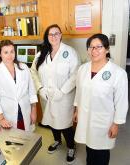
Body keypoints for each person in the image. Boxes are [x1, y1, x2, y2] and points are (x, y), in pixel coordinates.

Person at [73, 33, 129, 165]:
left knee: (101, 152)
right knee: (89, 147)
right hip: (85, 116)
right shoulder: (82, 69)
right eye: (91, 47)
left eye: (99, 47)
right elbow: (79, 91)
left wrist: (116, 124)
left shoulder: (118, 73)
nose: (94, 51)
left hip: (104, 121)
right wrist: (76, 109)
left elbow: (121, 102)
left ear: (107, 49)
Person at [31, 24, 80, 164]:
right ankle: (57, 141)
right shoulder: (41, 53)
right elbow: (33, 71)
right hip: (47, 96)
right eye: (50, 34)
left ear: (61, 35)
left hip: (64, 97)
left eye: (56, 33)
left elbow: (75, 74)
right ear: (47, 37)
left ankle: (71, 146)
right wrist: (40, 88)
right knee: (51, 121)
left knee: (65, 123)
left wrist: (63, 91)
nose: (53, 36)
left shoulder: (70, 52)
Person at [0, 40, 37, 131]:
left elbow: (31, 90)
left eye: (12, 51)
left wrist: (34, 110)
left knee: (27, 138)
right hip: (7, 113)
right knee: (12, 141)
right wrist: (1, 118)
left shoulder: (23, 67)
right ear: (0, 54)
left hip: (25, 110)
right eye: (6, 52)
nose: (10, 55)